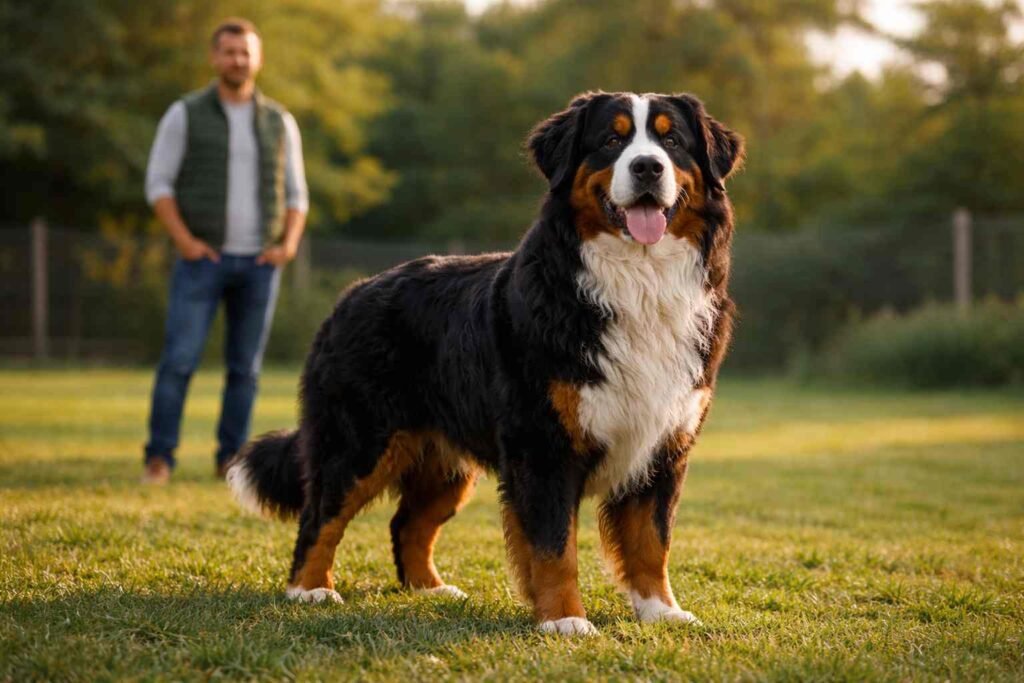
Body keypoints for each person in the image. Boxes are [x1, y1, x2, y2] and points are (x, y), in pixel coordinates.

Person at [142, 17, 308, 484]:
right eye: (230, 52)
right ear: (215, 58)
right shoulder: (184, 114)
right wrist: (185, 242)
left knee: (245, 370)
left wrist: (287, 246)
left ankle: (230, 461)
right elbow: (158, 184)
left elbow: (297, 193)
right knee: (179, 362)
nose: (238, 60)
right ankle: (159, 458)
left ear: (258, 59)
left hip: (259, 264)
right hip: (202, 260)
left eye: (245, 52)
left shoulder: (279, 120)